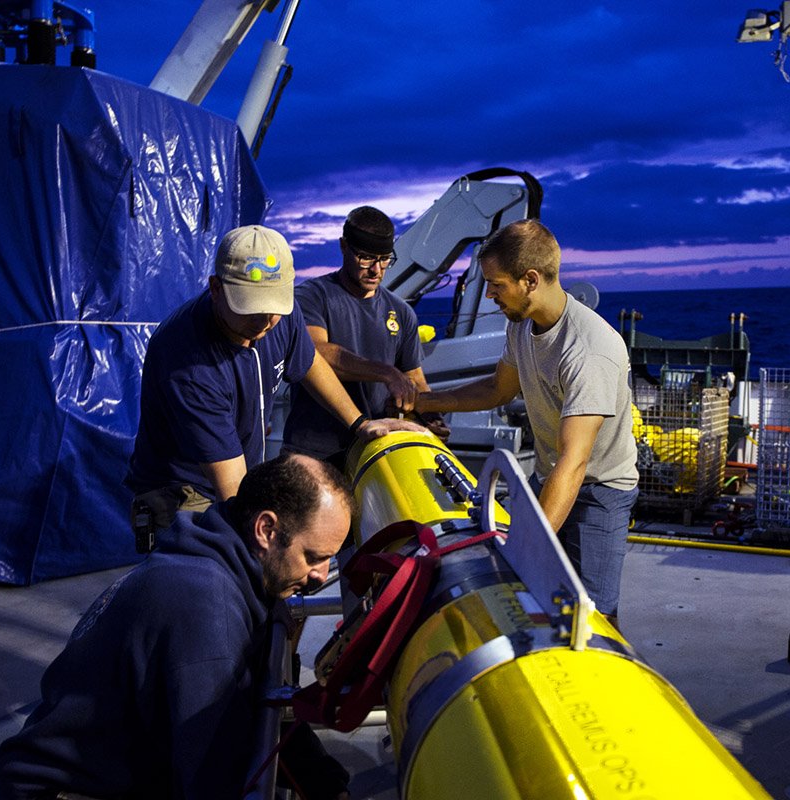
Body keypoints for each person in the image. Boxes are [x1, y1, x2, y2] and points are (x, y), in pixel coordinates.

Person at [0, 454, 354, 800]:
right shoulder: (205, 609)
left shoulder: (224, 557)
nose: (320, 576)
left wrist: (326, 785)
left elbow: (269, 697)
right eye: (313, 557)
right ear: (266, 529)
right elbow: (214, 782)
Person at [125, 224, 422, 545]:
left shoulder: (281, 312)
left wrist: (359, 423)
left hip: (238, 468)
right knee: (226, 574)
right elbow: (232, 488)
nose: (266, 321)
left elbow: (310, 363)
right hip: (184, 491)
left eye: (274, 308)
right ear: (216, 288)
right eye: (251, 309)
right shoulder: (190, 363)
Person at [414, 219, 638, 625]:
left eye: (497, 285)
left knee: (590, 617)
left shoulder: (589, 351)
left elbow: (576, 461)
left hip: (598, 490)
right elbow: (497, 390)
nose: (491, 295)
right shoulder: (522, 326)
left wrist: (528, 545)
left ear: (530, 279)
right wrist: (425, 400)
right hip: (551, 475)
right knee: (530, 589)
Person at [283, 206, 447, 467]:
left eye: (384, 259)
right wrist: (386, 372)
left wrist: (430, 415)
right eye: (366, 258)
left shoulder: (402, 312)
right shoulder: (311, 297)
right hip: (314, 453)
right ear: (343, 246)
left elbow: (415, 378)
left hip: (373, 453)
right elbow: (316, 353)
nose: (377, 270)